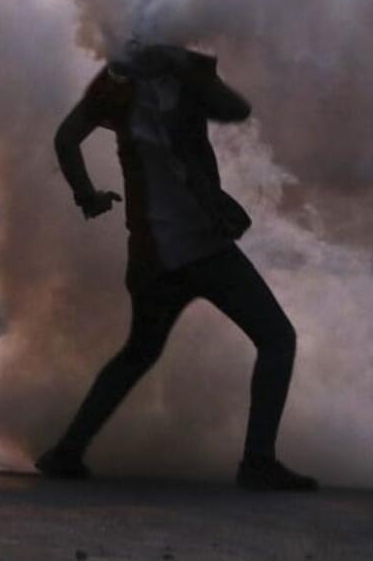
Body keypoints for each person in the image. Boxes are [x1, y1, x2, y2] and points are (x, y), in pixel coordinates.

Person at [36, 42, 317, 491]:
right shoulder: (136, 82)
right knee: (277, 337)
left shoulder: (139, 82)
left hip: (156, 256)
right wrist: (191, 69)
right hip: (201, 250)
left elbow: (235, 109)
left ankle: (66, 452)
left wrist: (86, 196)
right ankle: (258, 461)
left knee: (139, 352)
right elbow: (236, 109)